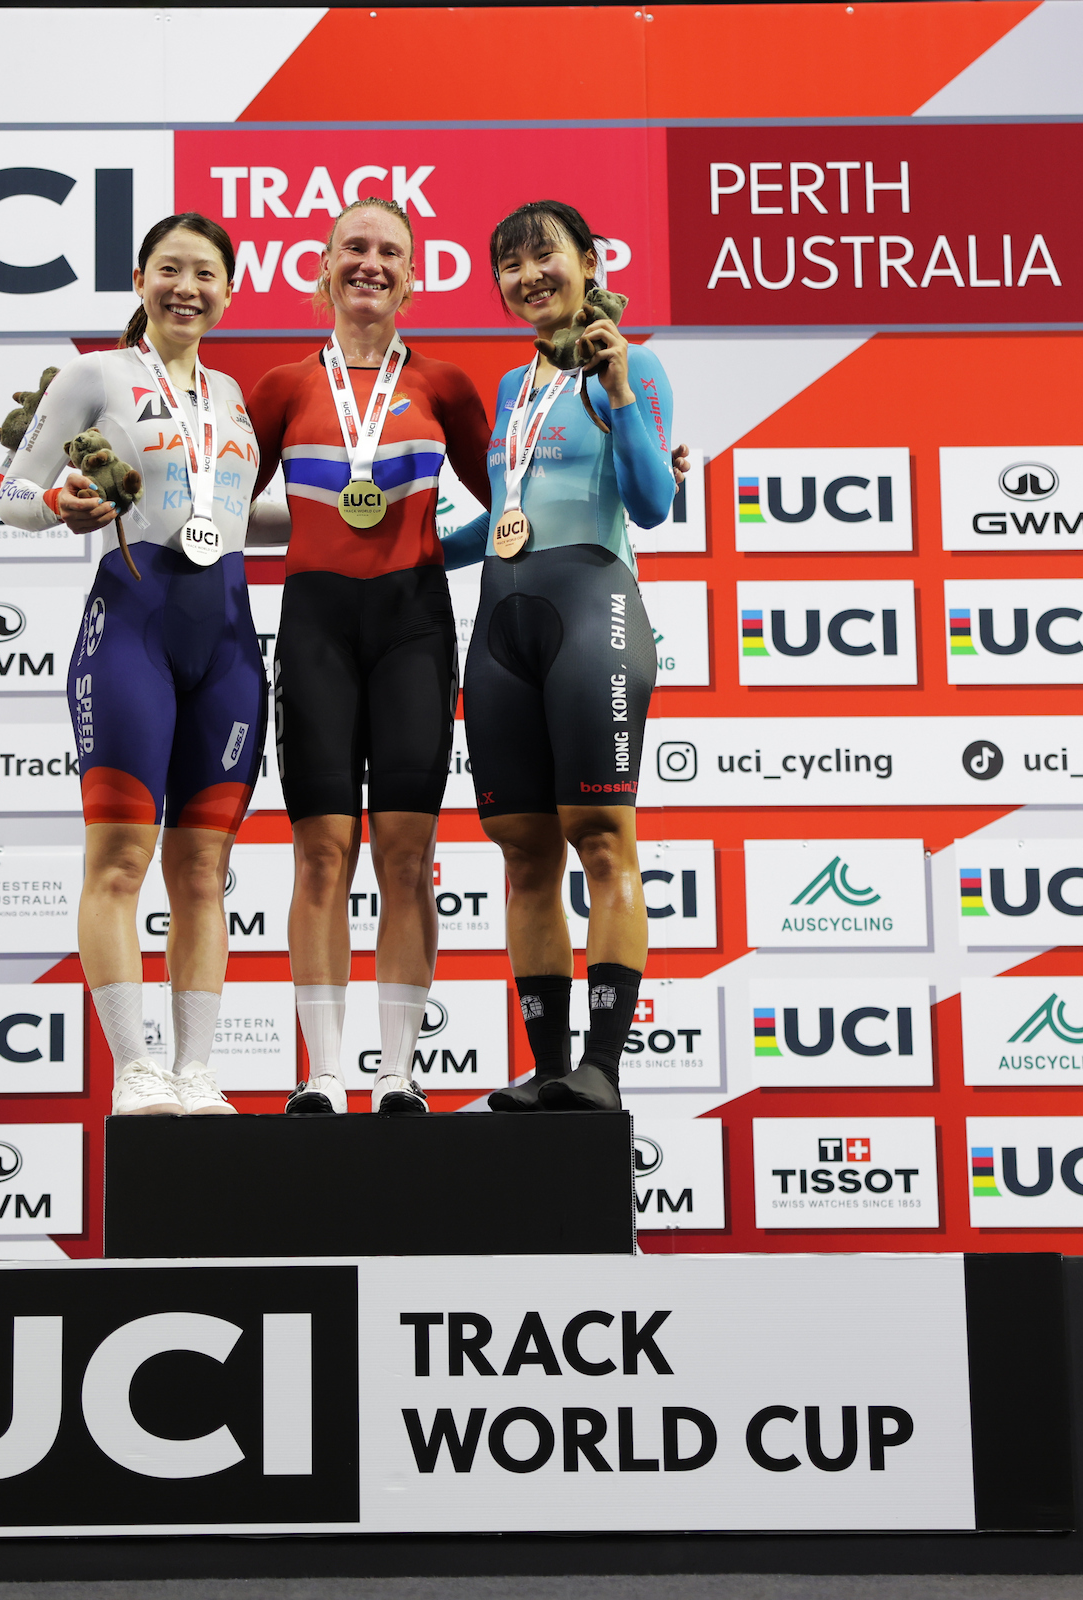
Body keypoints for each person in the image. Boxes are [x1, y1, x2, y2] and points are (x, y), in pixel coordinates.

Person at [0, 212, 263, 1118]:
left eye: (206, 275)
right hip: (134, 626)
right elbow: (13, 492)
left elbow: (235, 519)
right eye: (170, 270)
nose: (188, 288)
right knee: (118, 858)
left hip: (228, 639)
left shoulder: (231, 396)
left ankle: (197, 1072)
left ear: (230, 290)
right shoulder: (96, 374)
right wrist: (60, 501)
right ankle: (136, 1067)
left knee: (202, 871)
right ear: (141, 278)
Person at [243, 198, 495, 1118]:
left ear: (414, 275)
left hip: (413, 627)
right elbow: (218, 497)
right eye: (354, 247)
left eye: (391, 251)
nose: (371, 264)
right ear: (322, 267)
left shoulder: (447, 385)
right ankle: (323, 1074)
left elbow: (511, 494)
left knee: (405, 849)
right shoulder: (279, 386)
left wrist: (624, 462)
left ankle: (396, 1075)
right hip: (313, 627)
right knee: (320, 851)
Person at [459, 200, 675, 1114]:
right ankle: (548, 1068)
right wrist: (397, 548)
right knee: (522, 855)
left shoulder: (637, 363)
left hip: (595, 609)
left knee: (600, 838)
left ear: (588, 261)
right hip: (502, 619)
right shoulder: (511, 390)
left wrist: (621, 390)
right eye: (510, 265)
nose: (528, 276)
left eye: (544, 255)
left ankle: (602, 1071)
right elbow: (502, 518)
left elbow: (655, 500)